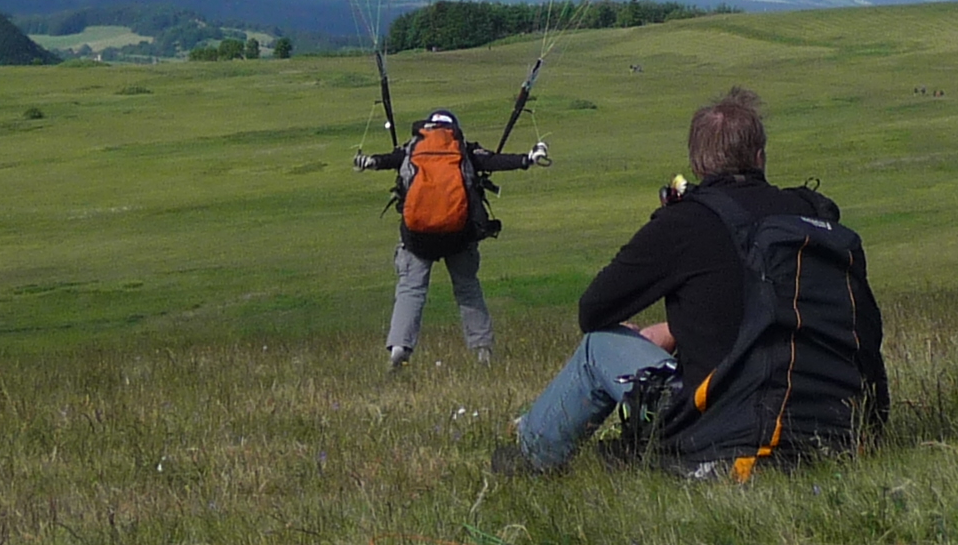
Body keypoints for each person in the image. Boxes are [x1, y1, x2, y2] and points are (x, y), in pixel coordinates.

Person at [501, 85, 886, 477]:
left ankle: (531, 456)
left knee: (598, 347)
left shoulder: (686, 222)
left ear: (697, 165)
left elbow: (594, 310)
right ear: (760, 156)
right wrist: (675, 330)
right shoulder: (814, 219)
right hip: (837, 430)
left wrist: (661, 331)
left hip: (724, 433)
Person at [353, 108, 546, 366]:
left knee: (411, 288)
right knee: (467, 288)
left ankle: (400, 348)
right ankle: (482, 350)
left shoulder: (412, 148)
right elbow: (493, 161)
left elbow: (387, 160)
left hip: (417, 236)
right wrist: (528, 158)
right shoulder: (464, 149)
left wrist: (370, 161)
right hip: (459, 234)